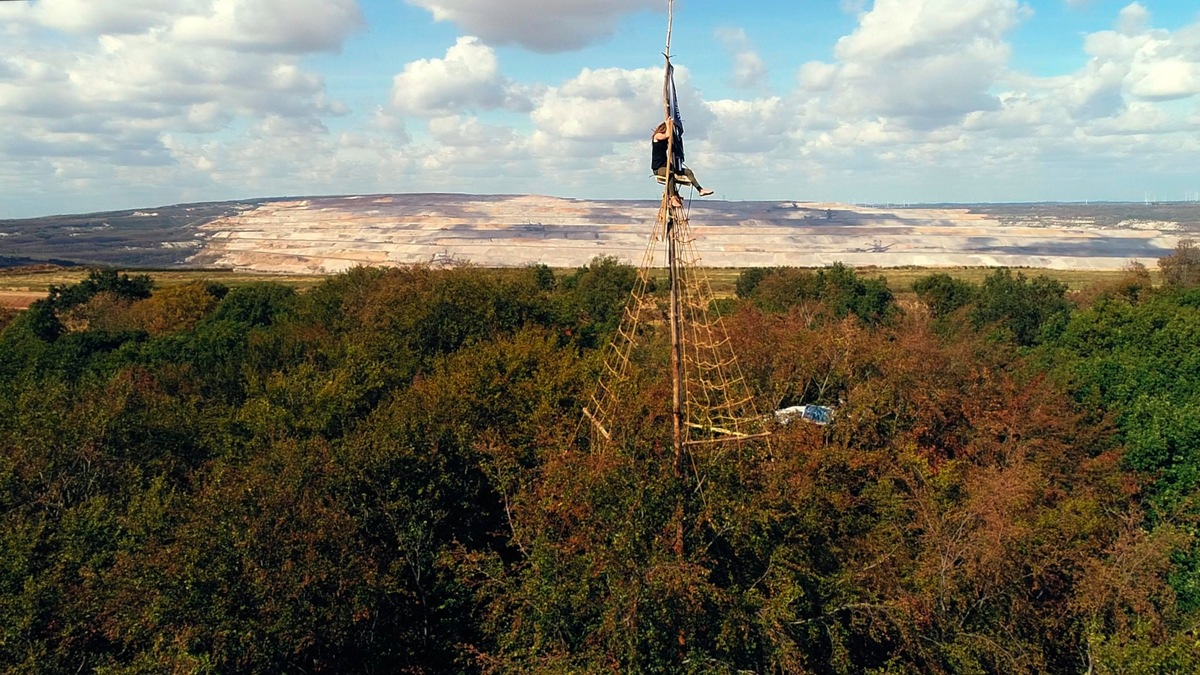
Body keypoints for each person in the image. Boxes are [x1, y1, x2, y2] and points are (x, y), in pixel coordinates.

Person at [651, 121, 714, 201]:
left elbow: (670, 138)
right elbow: (667, 135)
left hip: (667, 165)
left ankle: (700, 190)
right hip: (658, 168)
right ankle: (673, 197)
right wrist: (668, 123)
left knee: (688, 172)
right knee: (669, 173)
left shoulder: (666, 140)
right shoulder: (657, 136)